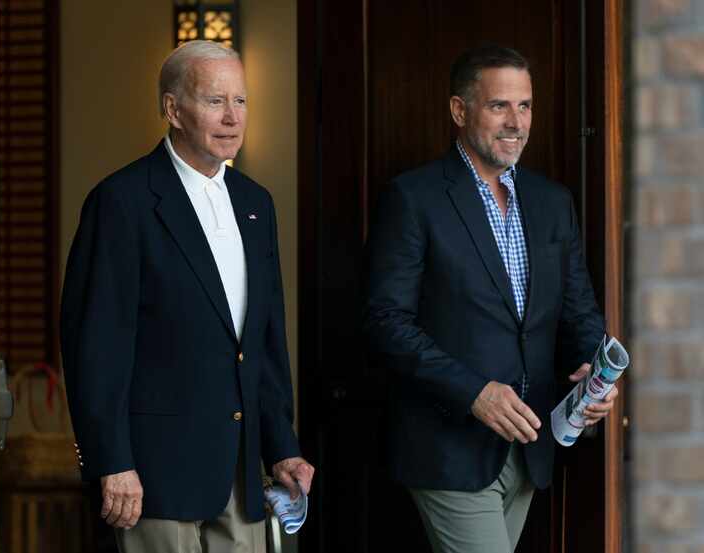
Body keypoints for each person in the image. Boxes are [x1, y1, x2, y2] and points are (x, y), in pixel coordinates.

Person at [362, 44, 618, 553]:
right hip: (448, 447)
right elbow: (385, 320)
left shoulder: (551, 201)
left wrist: (594, 371)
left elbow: (579, 310)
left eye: (524, 106)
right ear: (460, 111)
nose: (516, 122)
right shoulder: (414, 198)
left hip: (528, 448)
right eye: (499, 105)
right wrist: (475, 391)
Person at [60, 40, 314, 553]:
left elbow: (263, 341)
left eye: (240, 101)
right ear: (173, 109)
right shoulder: (121, 202)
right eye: (214, 101)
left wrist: (281, 446)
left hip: (240, 473)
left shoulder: (255, 202)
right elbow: (96, 345)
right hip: (153, 473)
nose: (231, 118)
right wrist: (111, 460)